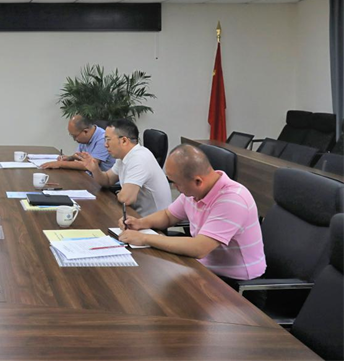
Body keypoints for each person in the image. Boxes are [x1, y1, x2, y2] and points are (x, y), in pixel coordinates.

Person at [118, 144, 266, 282]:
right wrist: (140, 223)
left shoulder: (233, 200)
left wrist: (144, 238)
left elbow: (199, 248)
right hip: (203, 267)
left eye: (176, 183)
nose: (174, 187)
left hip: (235, 282)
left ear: (198, 181)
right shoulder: (195, 191)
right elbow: (168, 216)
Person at [80, 119, 171, 217]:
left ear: (124, 141)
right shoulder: (124, 156)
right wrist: (94, 169)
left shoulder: (139, 158)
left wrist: (120, 193)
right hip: (134, 215)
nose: (105, 145)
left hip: (152, 221)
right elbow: (107, 180)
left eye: (108, 140)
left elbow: (126, 199)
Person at [41, 115, 114, 171]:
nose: (74, 139)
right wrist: (70, 158)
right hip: (88, 177)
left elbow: (90, 165)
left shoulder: (103, 139)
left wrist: (59, 164)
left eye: (75, 136)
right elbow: (79, 157)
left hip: (104, 183)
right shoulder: (84, 139)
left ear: (85, 131)